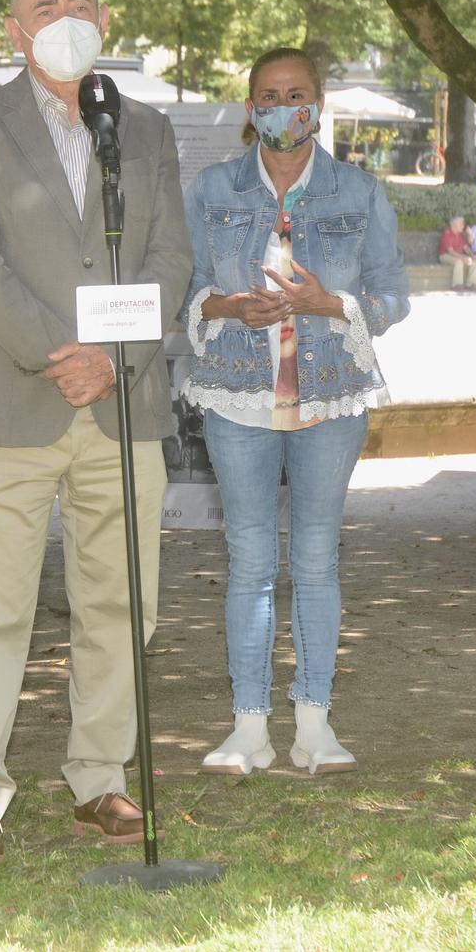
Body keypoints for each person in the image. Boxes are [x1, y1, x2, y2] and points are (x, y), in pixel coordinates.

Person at [0, 0, 192, 865]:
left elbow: (170, 260)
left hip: (125, 408)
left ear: (105, 16)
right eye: (44, 6)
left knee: (123, 602)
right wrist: (64, 354)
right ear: (13, 30)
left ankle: (102, 775)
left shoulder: (148, 129)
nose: (64, 16)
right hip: (11, 401)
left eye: (79, 1)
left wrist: (112, 359)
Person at [181, 48, 410, 777]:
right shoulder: (213, 187)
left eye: (298, 94)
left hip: (332, 395)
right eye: (269, 95)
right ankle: (249, 727)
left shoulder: (358, 190)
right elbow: (182, 287)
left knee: (315, 558)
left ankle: (315, 722)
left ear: (319, 104)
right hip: (237, 393)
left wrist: (331, 304)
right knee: (249, 561)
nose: (284, 107)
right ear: (251, 108)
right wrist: (227, 306)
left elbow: (393, 293)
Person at [437, 214, 476, 291]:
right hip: (445, 256)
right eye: (461, 224)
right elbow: (451, 251)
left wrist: (473, 255)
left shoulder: (460, 235)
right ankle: (457, 285)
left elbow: (465, 247)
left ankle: (471, 284)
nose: (463, 226)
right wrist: (463, 257)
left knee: (474, 261)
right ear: (455, 225)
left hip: (457, 255)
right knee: (459, 261)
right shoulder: (447, 233)